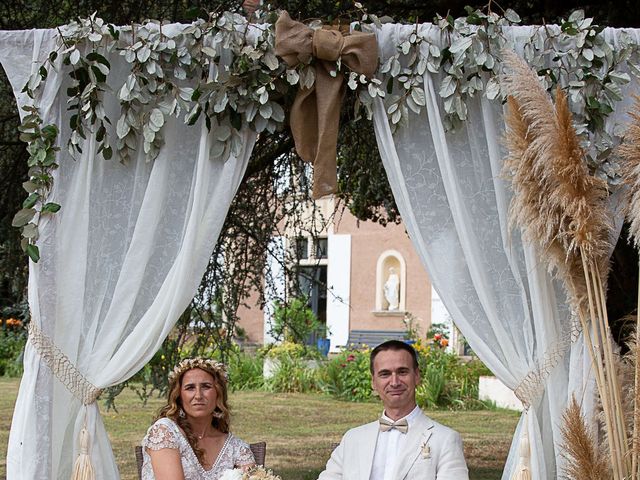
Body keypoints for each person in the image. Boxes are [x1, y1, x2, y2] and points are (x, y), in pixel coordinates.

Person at [318, 340, 468, 480]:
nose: (394, 382)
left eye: (402, 372)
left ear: (416, 376)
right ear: (373, 382)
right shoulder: (353, 439)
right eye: (385, 374)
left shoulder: (445, 440)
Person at [141, 357, 255, 480]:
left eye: (206, 386)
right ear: (179, 396)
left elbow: (258, 477)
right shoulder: (165, 432)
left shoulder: (237, 448)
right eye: (190, 388)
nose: (198, 396)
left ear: (218, 393)